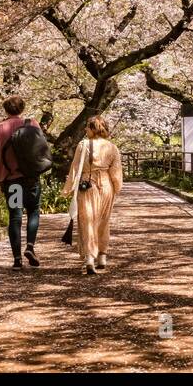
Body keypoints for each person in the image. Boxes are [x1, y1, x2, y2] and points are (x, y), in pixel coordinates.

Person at [61, 115, 123, 275]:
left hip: (87, 186)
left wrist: (67, 189)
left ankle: (90, 257)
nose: (85, 130)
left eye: (87, 127)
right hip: (106, 185)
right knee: (103, 221)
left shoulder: (83, 145)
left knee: (87, 221)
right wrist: (117, 188)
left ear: (93, 128)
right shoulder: (112, 147)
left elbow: (75, 169)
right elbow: (116, 172)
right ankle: (102, 256)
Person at [0, 95, 42, 270]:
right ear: (22, 108)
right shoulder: (32, 124)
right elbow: (40, 148)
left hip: (12, 182)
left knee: (15, 216)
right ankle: (30, 247)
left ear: (6, 109)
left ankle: (17, 259)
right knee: (33, 210)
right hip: (31, 179)